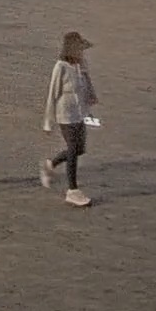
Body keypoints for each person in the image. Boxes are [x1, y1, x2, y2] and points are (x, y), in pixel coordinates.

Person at [41, 31, 99, 207]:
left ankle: (50, 164)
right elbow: (53, 94)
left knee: (80, 148)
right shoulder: (61, 67)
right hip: (64, 114)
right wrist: (48, 121)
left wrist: (90, 108)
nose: (82, 52)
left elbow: (86, 87)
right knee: (73, 148)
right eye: (80, 49)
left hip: (80, 113)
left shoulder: (81, 65)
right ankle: (72, 191)